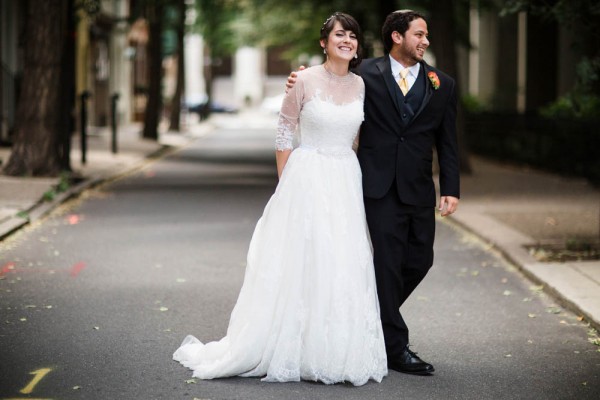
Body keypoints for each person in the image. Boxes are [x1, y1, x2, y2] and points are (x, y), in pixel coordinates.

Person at [173, 12, 388, 386]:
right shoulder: (302, 79)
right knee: (306, 258)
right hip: (306, 177)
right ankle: (292, 345)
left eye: (353, 36)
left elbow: (355, 138)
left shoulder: (360, 85)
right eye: (340, 34)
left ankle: (333, 348)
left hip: (345, 179)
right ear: (324, 42)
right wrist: (286, 183)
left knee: (341, 260)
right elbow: (284, 133)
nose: (347, 41)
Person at [287, 10, 460, 375]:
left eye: (427, 35)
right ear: (397, 37)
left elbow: (447, 141)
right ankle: (395, 346)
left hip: (418, 188)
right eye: (419, 34)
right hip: (376, 185)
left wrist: (451, 188)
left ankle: (368, 316)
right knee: (384, 264)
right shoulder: (365, 73)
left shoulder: (441, 82)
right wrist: (299, 78)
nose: (425, 41)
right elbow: (328, 82)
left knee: (419, 260)